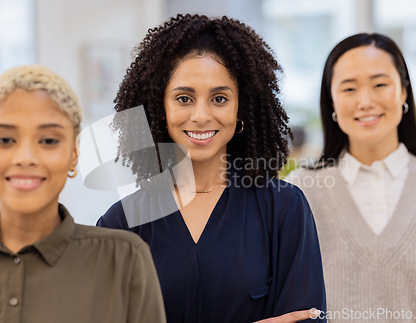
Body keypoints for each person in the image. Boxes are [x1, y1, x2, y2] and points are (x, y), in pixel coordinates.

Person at [96, 14, 326, 323]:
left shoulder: (284, 209)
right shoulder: (120, 224)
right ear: (160, 109)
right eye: (184, 98)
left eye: (219, 98)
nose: (201, 115)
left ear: (240, 109)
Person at [0, 65, 166, 323]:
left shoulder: (125, 258)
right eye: (5, 140)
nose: (25, 158)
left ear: (74, 154)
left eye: (48, 141)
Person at [286, 33, 416, 322]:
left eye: (380, 84)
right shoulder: (301, 189)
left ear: (404, 92)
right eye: (349, 89)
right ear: (331, 101)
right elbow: (293, 302)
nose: (366, 101)